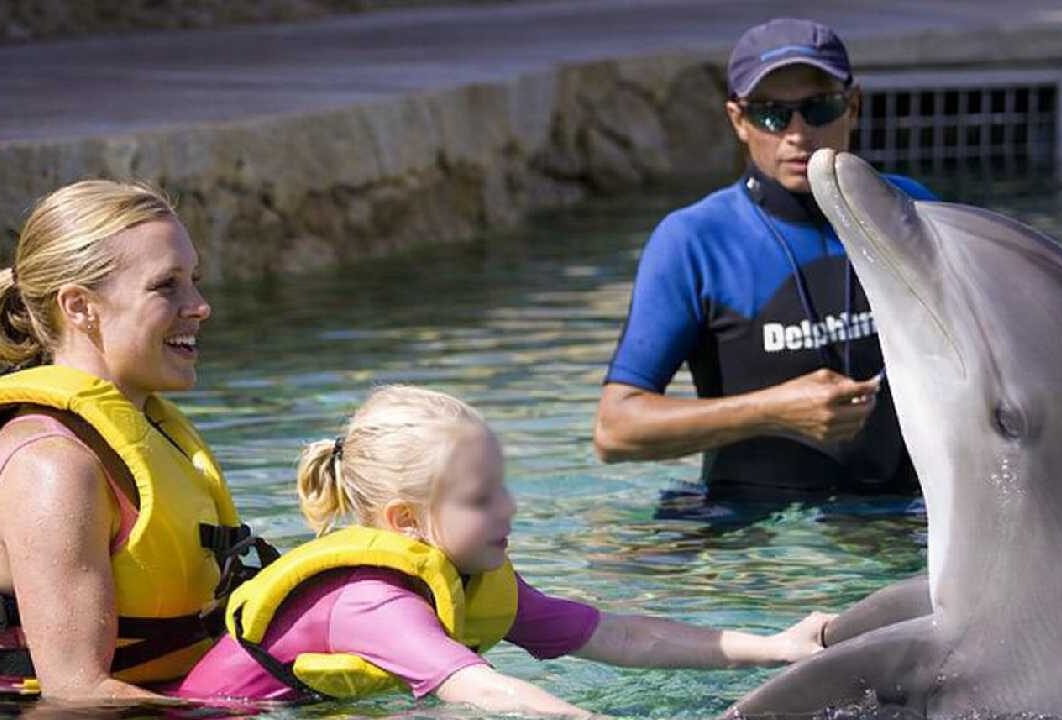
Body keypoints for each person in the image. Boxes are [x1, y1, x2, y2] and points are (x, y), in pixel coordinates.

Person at [173, 385, 834, 716]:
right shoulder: (371, 602)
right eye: (483, 497)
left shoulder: (471, 577)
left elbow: (621, 637)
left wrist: (777, 646)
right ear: (407, 521)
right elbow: (478, 687)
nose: (510, 508)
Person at [593, 18, 938, 505]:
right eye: (772, 115)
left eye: (819, 109)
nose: (798, 134)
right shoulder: (696, 240)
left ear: (853, 106)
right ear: (738, 120)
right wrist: (773, 411)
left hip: (902, 513)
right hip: (755, 533)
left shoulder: (908, 211)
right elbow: (615, 429)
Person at [0, 180, 269, 701]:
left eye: (194, 280)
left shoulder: (148, 434)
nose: (200, 306)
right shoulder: (52, 465)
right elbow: (76, 697)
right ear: (79, 307)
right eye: (166, 285)